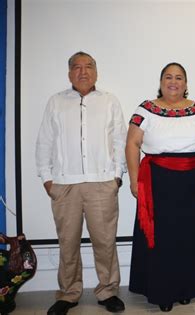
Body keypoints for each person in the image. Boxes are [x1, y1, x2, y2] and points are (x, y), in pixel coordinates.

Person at [36, 51, 127, 315]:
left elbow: (120, 140)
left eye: (88, 67)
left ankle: (108, 291)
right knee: (68, 242)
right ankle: (68, 294)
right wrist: (47, 179)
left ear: (96, 72)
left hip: (102, 183)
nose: (83, 71)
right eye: (77, 67)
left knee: (105, 242)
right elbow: (44, 141)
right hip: (65, 185)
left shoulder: (109, 101)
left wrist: (117, 176)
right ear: (69, 74)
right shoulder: (56, 102)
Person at [126, 62, 195, 312]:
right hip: (157, 181)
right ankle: (162, 291)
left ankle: (187, 288)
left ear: (186, 84)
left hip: (192, 181)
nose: (173, 81)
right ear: (161, 82)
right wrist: (134, 181)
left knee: (187, 235)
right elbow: (132, 144)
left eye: (179, 77)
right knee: (161, 237)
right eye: (168, 77)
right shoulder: (145, 109)